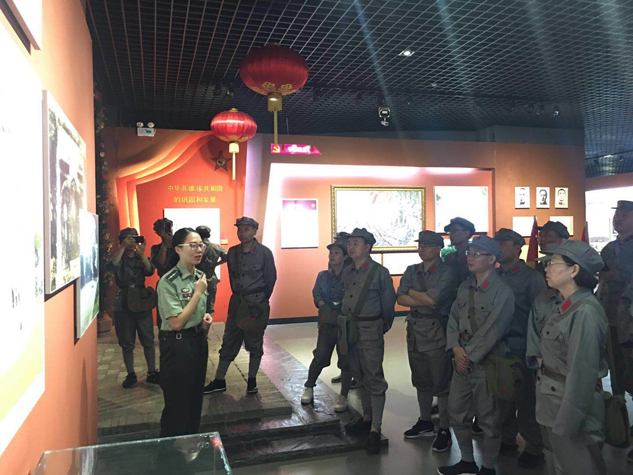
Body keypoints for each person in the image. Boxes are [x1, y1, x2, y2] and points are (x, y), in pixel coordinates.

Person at [527, 240, 608, 474]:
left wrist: (568, 422)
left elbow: (582, 375)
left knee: (579, 466)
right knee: (562, 464)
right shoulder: (566, 307)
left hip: (569, 407)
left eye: (553, 263)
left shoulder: (584, 312)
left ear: (574, 270)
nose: (546, 268)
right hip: (554, 400)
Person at [439, 235, 515, 475]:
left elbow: (494, 329)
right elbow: (453, 319)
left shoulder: (502, 292)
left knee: (489, 419)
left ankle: (489, 467)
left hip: (487, 363)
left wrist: (468, 356)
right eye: (469, 253)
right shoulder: (465, 287)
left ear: (492, 259)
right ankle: (467, 460)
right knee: (456, 413)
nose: (470, 258)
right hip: (461, 360)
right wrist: (455, 348)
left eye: (476, 254)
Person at [398, 231, 459, 453]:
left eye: (427, 245)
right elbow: (400, 298)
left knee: (441, 382)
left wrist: (412, 292)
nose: (421, 248)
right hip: (415, 330)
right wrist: (420, 297)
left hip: (436, 331)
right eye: (420, 245)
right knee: (420, 379)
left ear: (438, 248)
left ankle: (444, 427)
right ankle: (425, 420)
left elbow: (434, 300)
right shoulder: (411, 270)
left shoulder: (447, 272)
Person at [204, 217, 277, 395]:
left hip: (256, 303)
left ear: (254, 231)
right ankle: (219, 380)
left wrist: (260, 299)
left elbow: (270, 279)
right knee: (229, 339)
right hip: (237, 302)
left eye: (246, 229)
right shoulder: (233, 252)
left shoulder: (264, 253)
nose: (242, 233)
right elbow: (232, 276)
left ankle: (252, 380)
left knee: (254, 342)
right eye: (240, 229)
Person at [493, 228, 547, 468]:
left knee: (526, 400)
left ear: (518, 247)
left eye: (503, 243)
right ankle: (507, 438)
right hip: (497, 344)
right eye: (497, 243)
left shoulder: (531, 278)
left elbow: (541, 315)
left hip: (522, 344)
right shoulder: (494, 275)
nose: (498, 247)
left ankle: (534, 446)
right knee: (502, 396)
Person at [342, 228, 396, 455]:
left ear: (368, 247)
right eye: (349, 243)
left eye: (356, 243)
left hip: (370, 328)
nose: (351, 246)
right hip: (350, 329)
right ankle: (366, 417)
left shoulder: (379, 273)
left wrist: (380, 326)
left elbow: (388, 305)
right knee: (359, 375)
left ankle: (376, 427)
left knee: (374, 377)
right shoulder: (347, 271)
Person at [157, 228, 213, 437]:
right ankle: (171, 451)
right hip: (177, 346)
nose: (199, 250)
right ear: (178, 249)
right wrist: (197, 294)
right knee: (177, 405)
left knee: (195, 400)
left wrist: (204, 321)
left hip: (198, 341)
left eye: (201, 245)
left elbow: (194, 313)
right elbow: (177, 323)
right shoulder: (168, 281)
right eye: (193, 245)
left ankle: (191, 447)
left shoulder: (199, 277)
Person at [301, 242, 353, 412]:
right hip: (326, 324)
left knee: (346, 360)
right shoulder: (323, 275)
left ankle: (343, 395)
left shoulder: (351, 276)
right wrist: (323, 305)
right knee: (320, 356)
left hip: (344, 324)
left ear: (345, 257)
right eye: (331, 253)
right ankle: (309, 386)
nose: (332, 256)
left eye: (336, 253)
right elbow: (316, 293)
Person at [105, 228, 159, 389]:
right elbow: (111, 267)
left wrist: (142, 254)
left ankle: (152, 371)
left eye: (134, 238)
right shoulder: (118, 257)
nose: (132, 241)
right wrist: (122, 247)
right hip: (123, 301)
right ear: (121, 240)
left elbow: (150, 271)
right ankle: (130, 373)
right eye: (128, 238)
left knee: (148, 339)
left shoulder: (140, 256)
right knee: (126, 342)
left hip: (141, 300)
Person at [599, 200, 633, 397]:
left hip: (630, 319)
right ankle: (618, 409)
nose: (618, 219)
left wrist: (615, 275)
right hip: (611, 317)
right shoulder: (609, 248)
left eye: (624, 215)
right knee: (616, 366)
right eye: (616, 215)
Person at [194, 225, 228, 317]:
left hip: (196, 280)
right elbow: (227, 257)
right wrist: (216, 264)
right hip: (211, 279)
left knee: (195, 306)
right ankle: (207, 324)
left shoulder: (195, 248)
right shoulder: (216, 247)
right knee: (209, 307)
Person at [151, 218, 176, 328]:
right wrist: (164, 245)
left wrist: (173, 241)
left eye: (167, 228)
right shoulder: (156, 248)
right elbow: (160, 264)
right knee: (162, 313)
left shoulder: (179, 246)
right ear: (158, 233)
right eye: (162, 230)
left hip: (180, 282)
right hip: (164, 283)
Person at [443, 217, 475, 284]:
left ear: (466, 233)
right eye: (449, 231)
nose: (450, 234)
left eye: (454, 231)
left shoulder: (475, 257)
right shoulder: (449, 258)